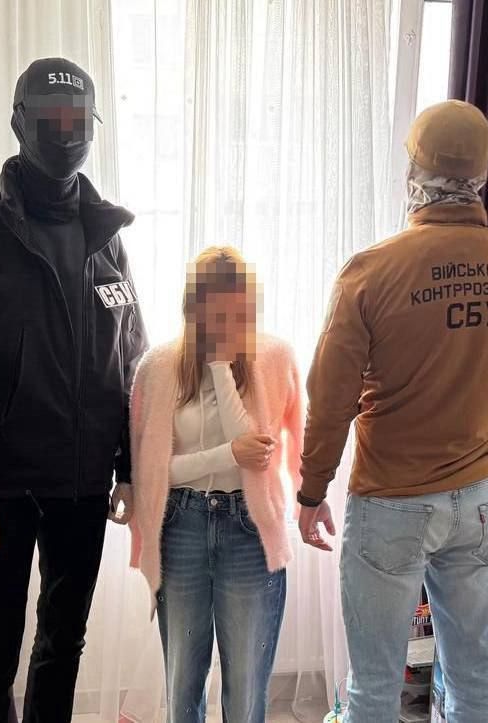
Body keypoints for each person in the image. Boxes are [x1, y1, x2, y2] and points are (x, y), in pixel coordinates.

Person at [297, 100, 488, 723]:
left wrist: (311, 491)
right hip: (479, 501)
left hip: (391, 501)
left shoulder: (370, 272)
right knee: (471, 672)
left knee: (374, 684)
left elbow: (330, 402)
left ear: (413, 172)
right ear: (482, 174)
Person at [0, 57, 147, 722]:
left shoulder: (106, 238)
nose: (64, 134)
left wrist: (128, 468)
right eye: (50, 119)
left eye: (77, 121)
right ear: (20, 122)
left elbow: (130, 360)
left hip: (81, 484)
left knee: (62, 643)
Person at [127, 247, 304, 723]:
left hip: (249, 528)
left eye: (236, 308)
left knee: (246, 686)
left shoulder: (273, 357)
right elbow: (152, 474)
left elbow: (260, 452)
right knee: (183, 681)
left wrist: (222, 366)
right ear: (192, 306)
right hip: (180, 524)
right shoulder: (157, 367)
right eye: (213, 307)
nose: (225, 320)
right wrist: (226, 456)